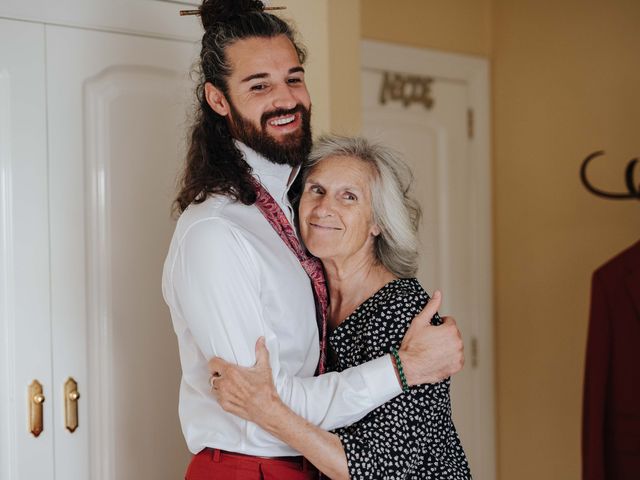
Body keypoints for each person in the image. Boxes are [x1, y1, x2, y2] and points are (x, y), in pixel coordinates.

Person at [162, 1, 464, 478]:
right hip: (254, 468)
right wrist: (403, 369)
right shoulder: (216, 232)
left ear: (377, 220)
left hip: (303, 463)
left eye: (293, 78)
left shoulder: (289, 206)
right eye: (259, 85)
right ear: (218, 100)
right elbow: (265, 400)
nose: (286, 98)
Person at [209, 135, 472, 479]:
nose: (323, 209)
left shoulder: (404, 312)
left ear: (378, 222)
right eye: (316, 190)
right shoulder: (310, 296)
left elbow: (374, 470)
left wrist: (266, 410)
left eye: (349, 196)